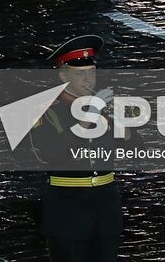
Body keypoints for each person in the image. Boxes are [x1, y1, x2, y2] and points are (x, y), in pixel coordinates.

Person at [29, 34, 122, 262]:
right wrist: (87, 119)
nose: (88, 80)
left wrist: (122, 122)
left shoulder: (106, 106)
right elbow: (47, 155)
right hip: (68, 212)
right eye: (80, 73)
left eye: (92, 72)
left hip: (105, 209)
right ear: (62, 75)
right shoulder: (46, 111)